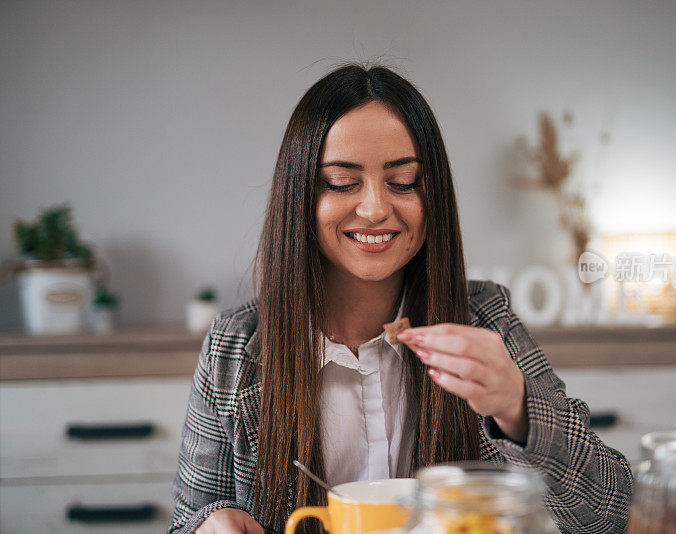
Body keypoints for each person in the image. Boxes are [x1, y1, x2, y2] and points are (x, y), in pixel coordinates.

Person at [169, 63, 632, 534]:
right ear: (301, 196)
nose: (374, 209)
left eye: (404, 181)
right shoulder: (234, 347)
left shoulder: (485, 319)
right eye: (341, 182)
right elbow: (189, 518)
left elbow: (611, 515)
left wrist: (518, 407)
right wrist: (209, 523)